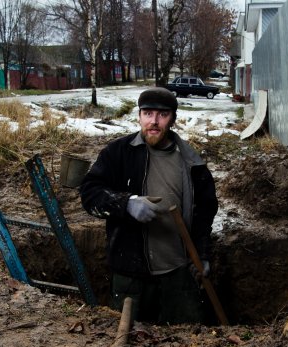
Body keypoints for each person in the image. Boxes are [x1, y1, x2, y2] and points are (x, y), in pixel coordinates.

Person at [80, 87, 218, 324]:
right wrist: (127, 204)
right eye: (148, 113)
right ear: (139, 115)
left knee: (189, 339)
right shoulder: (118, 153)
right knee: (130, 340)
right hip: (130, 275)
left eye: (162, 115)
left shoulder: (191, 162)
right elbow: (90, 193)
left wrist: (202, 254)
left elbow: (205, 212)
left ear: (173, 119)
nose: (154, 122)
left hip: (178, 272)